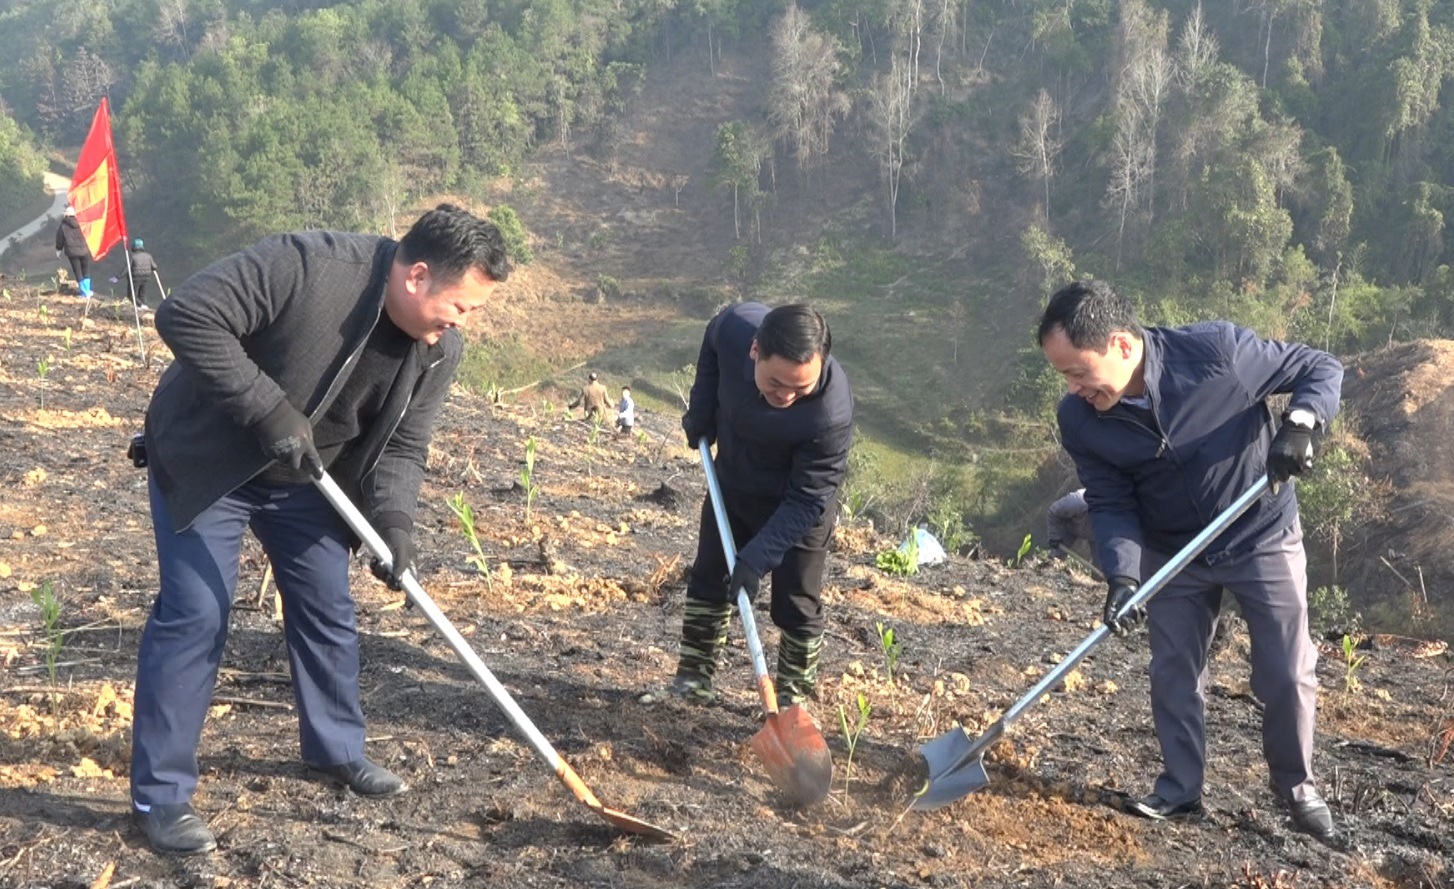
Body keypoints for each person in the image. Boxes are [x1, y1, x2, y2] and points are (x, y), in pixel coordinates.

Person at [130, 204, 510, 855]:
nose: (462, 321)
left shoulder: (439, 350)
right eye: (462, 305)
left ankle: (335, 748)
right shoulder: (308, 267)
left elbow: (403, 448)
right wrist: (267, 407)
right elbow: (186, 313)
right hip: (211, 457)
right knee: (197, 610)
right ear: (417, 276)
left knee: (328, 606)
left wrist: (393, 523)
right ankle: (160, 795)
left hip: (307, 478)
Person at [1036, 280, 1343, 844]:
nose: (1074, 388)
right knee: (1174, 671)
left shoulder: (1216, 355)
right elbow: (1109, 498)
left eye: (1079, 371)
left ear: (1122, 345)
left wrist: (1301, 425)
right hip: (1173, 549)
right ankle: (1180, 790)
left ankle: (1296, 790)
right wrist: (1123, 574)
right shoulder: (1081, 419)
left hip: (1259, 531)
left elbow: (1319, 366)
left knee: (1286, 669)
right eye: (1064, 377)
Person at [644, 302, 853, 710]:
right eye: (777, 383)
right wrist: (702, 407)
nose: (787, 396)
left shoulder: (832, 412)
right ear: (755, 351)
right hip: (735, 481)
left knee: (796, 601)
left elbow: (808, 498)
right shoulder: (737, 329)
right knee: (710, 576)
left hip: (798, 505)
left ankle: (793, 704)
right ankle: (693, 682)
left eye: (801, 388)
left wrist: (757, 558)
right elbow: (712, 336)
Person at [1045, 488, 1097, 566]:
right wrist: (1054, 537)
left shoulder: (1112, 519)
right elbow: (1053, 512)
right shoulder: (1077, 502)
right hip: (1068, 526)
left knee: (1101, 569)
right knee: (1056, 559)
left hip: (1094, 534)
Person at [54, 205, 93, 297]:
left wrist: (58, 250)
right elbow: (89, 234)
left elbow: (60, 239)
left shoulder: (63, 226)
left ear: (66, 215)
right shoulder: (83, 223)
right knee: (86, 271)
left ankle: (85, 292)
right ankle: (87, 290)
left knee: (78, 271)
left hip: (72, 252)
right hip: (84, 250)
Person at [130, 238, 159, 309]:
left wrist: (118, 277)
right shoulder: (148, 256)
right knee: (142, 293)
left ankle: (139, 305)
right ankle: (144, 305)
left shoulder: (133, 256)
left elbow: (127, 268)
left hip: (136, 278)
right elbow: (154, 267)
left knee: (133, 294)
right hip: (146, 277)